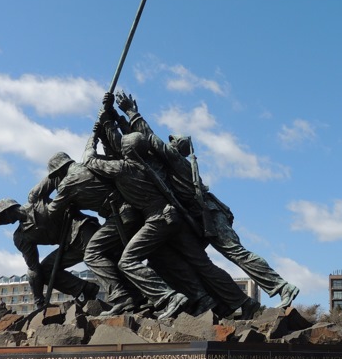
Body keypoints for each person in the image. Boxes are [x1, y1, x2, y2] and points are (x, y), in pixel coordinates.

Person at [113, 91, 301, 309]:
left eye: (171, 142)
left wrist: (131, 112)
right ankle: (222, 303)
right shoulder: (172, 167)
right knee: (193, 263)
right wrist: (121, 124)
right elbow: (142, 146)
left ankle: (282, 286)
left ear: (176, 148)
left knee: (235, 253)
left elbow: (151, 140)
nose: (168, 144)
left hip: (210, 214)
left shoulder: (177, 161)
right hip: (198, 220)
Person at [29, 149, 145, 315]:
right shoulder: (88, 166)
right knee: (118, 256)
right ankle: (135, 295)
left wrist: (62, 200)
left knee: (92, 254)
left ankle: (122, 297)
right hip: (127, 212)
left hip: (119, 216)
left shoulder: (69, 182)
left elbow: (53, 211)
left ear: (59, 171)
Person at [0, 198, 99, 309]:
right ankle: (86, 289)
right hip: (70, 246)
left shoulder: (39, 203)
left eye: (2, 218)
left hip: (84, 230)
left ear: (7, 210)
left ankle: (117, 294)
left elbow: (67, 200)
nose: (5, 222)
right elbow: (34, 268)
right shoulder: (21, 237)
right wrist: (39, 300)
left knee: (103, 257)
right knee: (45, 270)